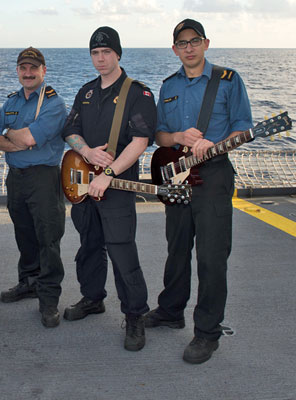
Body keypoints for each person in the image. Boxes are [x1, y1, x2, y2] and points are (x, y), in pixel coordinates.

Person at [144, 19, 252, 364]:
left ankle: (207, 332)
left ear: (206, 43)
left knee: (211, 257)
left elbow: (244, 126)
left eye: (194, 41)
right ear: (175, 49)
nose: (188, 47)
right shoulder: (168, 86)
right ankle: (171, 309)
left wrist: (213, 145)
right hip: (179, 177)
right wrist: (178, 139)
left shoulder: (228, 81)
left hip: (215, 176)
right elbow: (159, 135)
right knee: (176, 248)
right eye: (181, 43)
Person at [62, 27, 156, 351]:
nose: (100, 58)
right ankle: (92, 299)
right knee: (89, 246)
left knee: (122, 252)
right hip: (86, 188)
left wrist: (109, 173)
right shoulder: (86, 91)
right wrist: (86, 152)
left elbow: (141, 141)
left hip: (115, 189)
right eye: (95, 53)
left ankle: (134, 317)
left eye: (106, 52)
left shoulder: (137, 93)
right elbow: (69, 130)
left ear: (118, 53)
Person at [0, 47, 67, 328]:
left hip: (43, 178)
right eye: (23, 68)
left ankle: (49, 300)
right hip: (16, 177)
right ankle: (28, 282)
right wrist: (16, 139)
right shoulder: (12, 101)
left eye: (33, 68)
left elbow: (26, 138)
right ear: (18, 71)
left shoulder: (53, 103)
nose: (28, 73)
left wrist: (12, 136)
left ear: (43, 71)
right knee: (24, 233)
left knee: (48, 239)